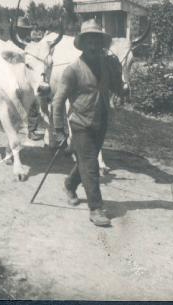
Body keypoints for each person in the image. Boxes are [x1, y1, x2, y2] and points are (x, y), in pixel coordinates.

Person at [53, 19, 124, 227]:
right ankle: (96, 207)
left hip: (101, 121)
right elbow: (57, 102)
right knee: (91, 164)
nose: (93, 45)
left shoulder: (107, 65)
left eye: (97, 41)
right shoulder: (72, 70)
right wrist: (59, 130)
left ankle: (69, 184)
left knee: (85, 161)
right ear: (82, 45)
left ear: (101, 43)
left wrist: (121, 83)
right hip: (80, 124)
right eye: (89, 41)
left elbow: (116, 88)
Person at [16, 16, 44, 141]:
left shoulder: (32, 43)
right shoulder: (13, 41)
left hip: (29, 76)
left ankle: (31, 130)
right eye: (21, 29)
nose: (23, 31)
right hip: (15, 76)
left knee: (32, 104)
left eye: (25, 29)